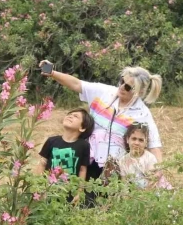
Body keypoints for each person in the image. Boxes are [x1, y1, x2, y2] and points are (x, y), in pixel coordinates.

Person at [39, 60, 163, 204]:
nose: (122, 87)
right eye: (121, 81)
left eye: (128, 87)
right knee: (73, 197)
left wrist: (158, 170)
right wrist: (52, 73)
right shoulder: (104, 92)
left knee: (102, 204)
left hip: (114, 167)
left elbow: (154, 145)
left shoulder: (142, 113)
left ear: (139, 92)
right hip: (87, 159)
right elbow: (77, 84)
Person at [35, 108, 94, 204]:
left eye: (76, 116)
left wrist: (79, 192)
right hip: (48, 188)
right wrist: (38, 186)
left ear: (82, 128)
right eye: (70, 114)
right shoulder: (52, 141)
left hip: (68, 192)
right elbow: (42, 164)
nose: (70, 116)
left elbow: (82, 170)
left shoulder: (84, 145)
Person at [117, 122, 158, 189]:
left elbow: (151, 183)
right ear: (127, 139)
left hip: (148, 195)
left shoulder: (150, 158)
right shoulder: (123, 161)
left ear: (146, 143)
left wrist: (142, 197)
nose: (136, 143)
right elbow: (124, 184)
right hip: (133, 195)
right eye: (134, 139)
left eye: (141, 140)